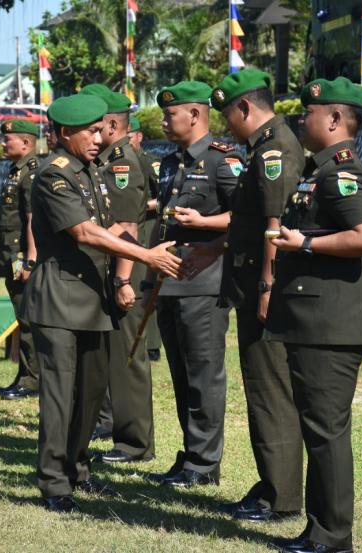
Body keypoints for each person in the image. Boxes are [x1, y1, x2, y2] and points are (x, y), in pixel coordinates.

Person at [21, 94, 180, 513]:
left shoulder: (90, 170)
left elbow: (115, 228)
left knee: (90, 394)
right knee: (60, 396)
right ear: (64, 133)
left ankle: (78, 470)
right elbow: (86, 233)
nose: (98, 138)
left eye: (99, 130)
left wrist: (140, 259)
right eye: (89, 132)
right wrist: (147, 256)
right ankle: (54, 483)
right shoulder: (52, 175)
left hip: (94, 300)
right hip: (59, 301)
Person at [266, 77, 362, 553]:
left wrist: (307, 242)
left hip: (329, 325)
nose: (300, 120)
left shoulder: (339, 172)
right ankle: (321, 531)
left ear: (334, 120)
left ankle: (332, 538)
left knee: (325, 432)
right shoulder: (320, 171)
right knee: (320, 428)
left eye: (309, 113)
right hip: (315, 319)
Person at [182, 68, 305, 522]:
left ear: (245, 107)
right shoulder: (264, 147)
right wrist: (213, 249)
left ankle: (282, 495)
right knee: (263, 389)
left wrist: (268, 286)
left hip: (264, 287)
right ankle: (273, 481)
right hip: (253, 282)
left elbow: (275, 226)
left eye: (227, 114)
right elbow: (248, 225)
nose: (226, 125)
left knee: (270, 390)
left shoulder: (273, 151)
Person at [143, 81, 240, 488]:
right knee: (182, 376)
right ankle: (190, 455)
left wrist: (204, 224)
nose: (165, 121)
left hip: (205, 281)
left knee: (204, 375)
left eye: (171, 114)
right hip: (170, 281)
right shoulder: (169, 163)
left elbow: (246, 217)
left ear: (196, 115)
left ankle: (204, 463)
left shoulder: (225, 160)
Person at [80, 85, 156, 464]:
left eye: (96, 125)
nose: (92, 133)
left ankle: (135, 442)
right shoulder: (111, 158)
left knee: (127, 359)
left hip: (125, 267)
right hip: (116, 266)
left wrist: (123, 280)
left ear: (111, 124)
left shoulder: (122, 161)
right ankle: (115, 427)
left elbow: (127, 224)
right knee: (112, 356)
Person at [0, 120, 41, 401]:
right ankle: (23, 375)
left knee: (27, 318)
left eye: (7, 139)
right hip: (11, 256)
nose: (2, 143)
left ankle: (32, 380)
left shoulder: (32, 173)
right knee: (20, 315)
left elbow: (32, 220)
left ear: (25, 143)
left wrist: (30, 261)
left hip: (22, 257)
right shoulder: (17, 170)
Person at [128, 114, 163, 363]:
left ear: (139, 136)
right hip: (127, 228)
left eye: (130, 136)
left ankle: (152, 343)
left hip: (148, 225)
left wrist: (142, 207)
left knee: (147, 284)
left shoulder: (148, 162)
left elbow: (164, 198)